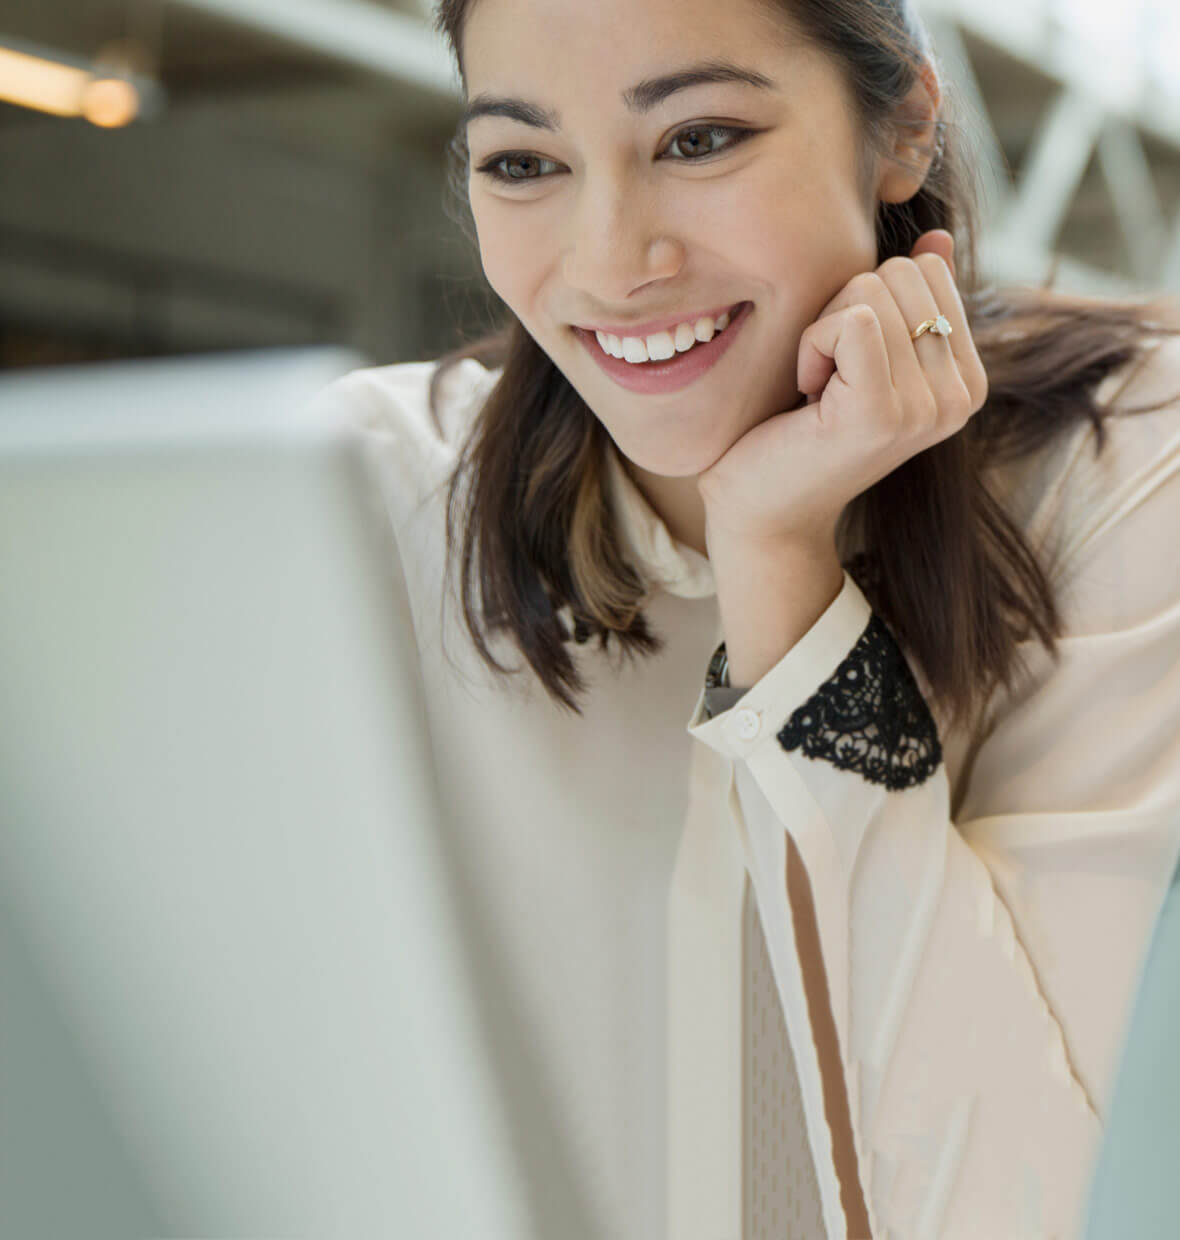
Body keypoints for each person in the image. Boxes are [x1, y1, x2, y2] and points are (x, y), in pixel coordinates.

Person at [309, 0, 1180, 1235]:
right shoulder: (363, 486)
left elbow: (1009, 1202)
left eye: (699, 138)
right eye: (522, 162)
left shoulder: (1123, 456)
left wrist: (782, 566)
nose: (610, 260)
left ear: (905, 129)